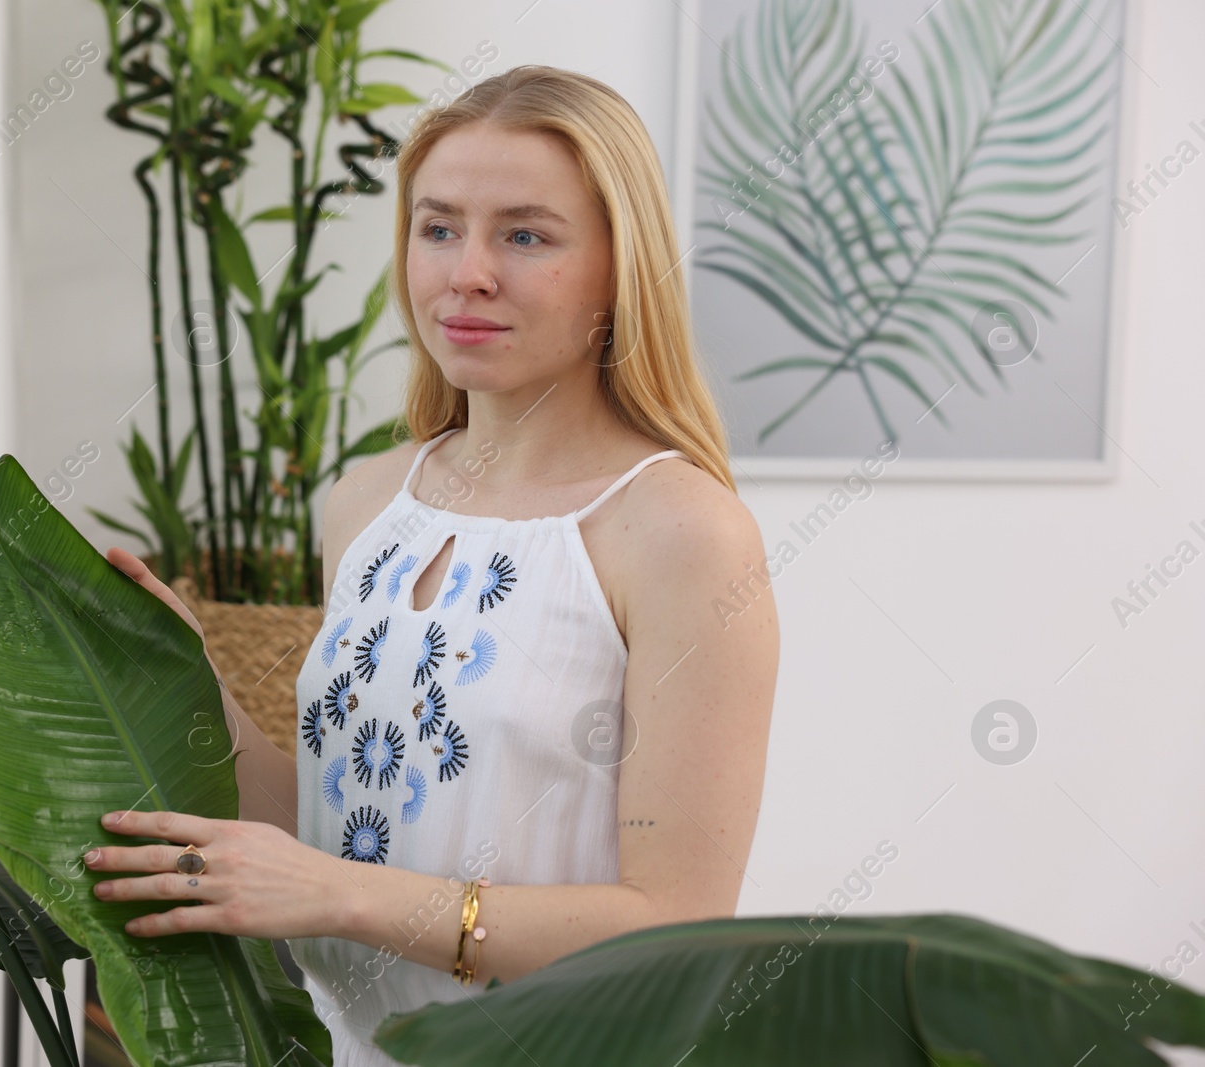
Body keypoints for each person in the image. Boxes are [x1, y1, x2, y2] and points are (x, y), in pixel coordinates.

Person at [94, 64, 778, 1066]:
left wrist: (340, 895)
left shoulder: (679, 530)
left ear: (618, 269)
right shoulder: (369, 502)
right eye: (438, 226)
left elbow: (674, 925)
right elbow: (346, 822)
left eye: (525, 234)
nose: (466, 272)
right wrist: (189, 677)